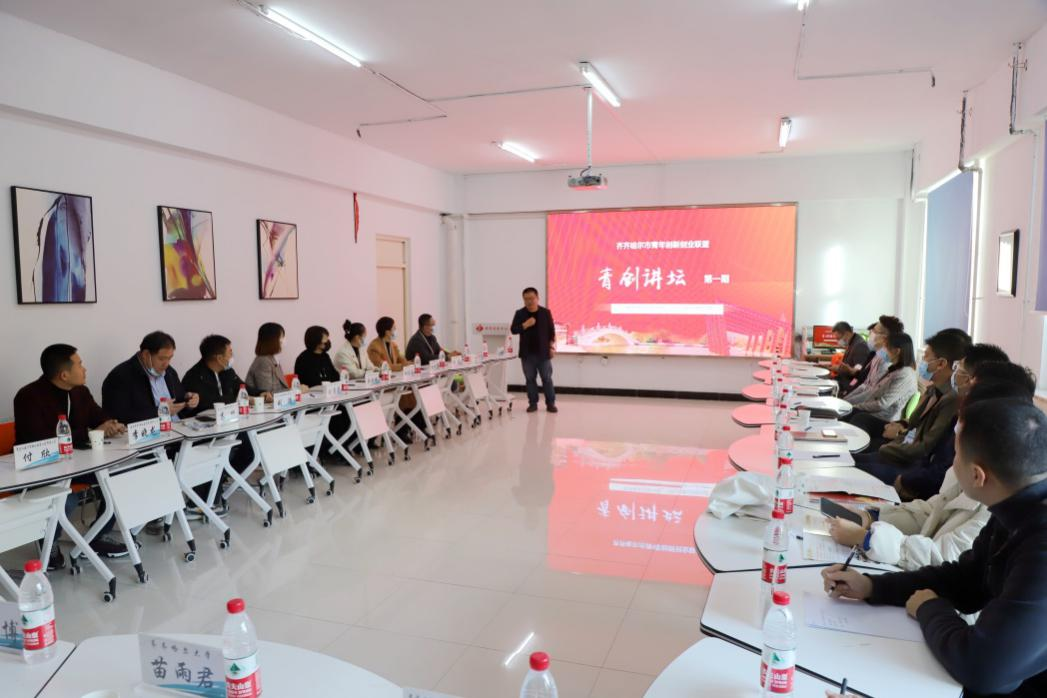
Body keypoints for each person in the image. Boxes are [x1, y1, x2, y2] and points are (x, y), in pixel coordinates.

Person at [822, 397, 1047, 696]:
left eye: (955, 454)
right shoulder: (1016, 506)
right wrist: (873, 586)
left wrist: (929, 608)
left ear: (977, 475)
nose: (950, 464)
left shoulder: (1039, 544)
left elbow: (982, 667)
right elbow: (967, 580)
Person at [826, 373, 1036, 570]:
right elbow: (931, 512)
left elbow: (944, 557)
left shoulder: (1001, 511)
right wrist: (872, 517)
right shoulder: (975, 469)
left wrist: (867, 539)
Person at [14, 344, 129, 562]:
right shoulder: (29, 396)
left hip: (77, 462)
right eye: (80, 364)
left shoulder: (80, 391)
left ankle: (97, 536)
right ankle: (49, 542)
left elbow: (98, 416)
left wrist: (110, 424)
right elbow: (40, 441)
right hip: (41, 469)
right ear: (64, 375)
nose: (85, 369)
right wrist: (91, 433)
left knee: (121, 476)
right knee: (66, 498)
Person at [855, 330, 970, 498]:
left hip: (909, 466)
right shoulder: (933, 389)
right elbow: (914, 423)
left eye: (926, 357)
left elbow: (924, 447)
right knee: (849, 458)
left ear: (941, 363)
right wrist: (901, 427)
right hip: (902, 451)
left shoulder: (952, 399)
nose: (922, 361)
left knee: (852, 466)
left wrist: (888, 447)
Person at [102, 331, 199, 425]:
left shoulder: (169, 372)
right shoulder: (120, 376)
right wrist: (159, 412)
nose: (166, 364)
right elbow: (117, 418)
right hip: (151, 434)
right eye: (161, 358)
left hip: (178, 428)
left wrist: (189, 401)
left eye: (170, 358)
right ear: (146, 355)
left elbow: (178, 404)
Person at [846, 331, 917, 434]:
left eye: (886, 347)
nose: (883, 350)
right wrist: (852, 404)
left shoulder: (905, 374)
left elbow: (882, 404)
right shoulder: (894, 369)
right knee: (848, 412)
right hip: (874, 412)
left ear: (897, 351)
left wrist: (857, 406)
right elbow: (872, 393)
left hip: (884, 420)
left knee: (856, 416)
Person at [181, 334, 270, 414]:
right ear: (219, 358)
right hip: (206, 423)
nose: (232, 355)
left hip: (229, 418)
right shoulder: (194, 377)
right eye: (230, 352)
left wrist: (260, 393)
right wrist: (238, 399)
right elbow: (207, 403)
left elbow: (242, 387)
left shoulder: (227, 371)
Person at [511, 287, 557, 413]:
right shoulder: (520, 313)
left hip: (543, 353)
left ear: (537, 298)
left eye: (531, 298)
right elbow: (513, 330)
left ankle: (550, 403)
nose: (529, 301)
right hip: (527, 354)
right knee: (530, 379)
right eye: (526, 299)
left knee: (547, 379)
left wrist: (551, 347)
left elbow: (551, 332)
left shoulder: (545, 313)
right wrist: (525, 325)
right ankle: (533, 403)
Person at [841, 315, 904, 399]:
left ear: (884, 337)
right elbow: (865, 384)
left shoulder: (886, 362)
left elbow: (872, 394)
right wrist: (846, 398)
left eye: (874, 331)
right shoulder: (876, 354)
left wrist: (847, 402)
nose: (870, 333)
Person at [246, 322, 301, 394]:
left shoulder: (273, 359)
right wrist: (295, 390)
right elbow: (268, 393)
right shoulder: (263, 361)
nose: (284, 340)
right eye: (282, 336)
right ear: (272, 340)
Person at [820, 321, 871, 391]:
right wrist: (834, 368)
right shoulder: (852, 343)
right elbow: (848, 366)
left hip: (848, 385)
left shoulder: (860, 346)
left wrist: (848, 390)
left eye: (838, 338)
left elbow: (859, 373)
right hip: (842, 380)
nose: (838, 342)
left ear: (846, 334)